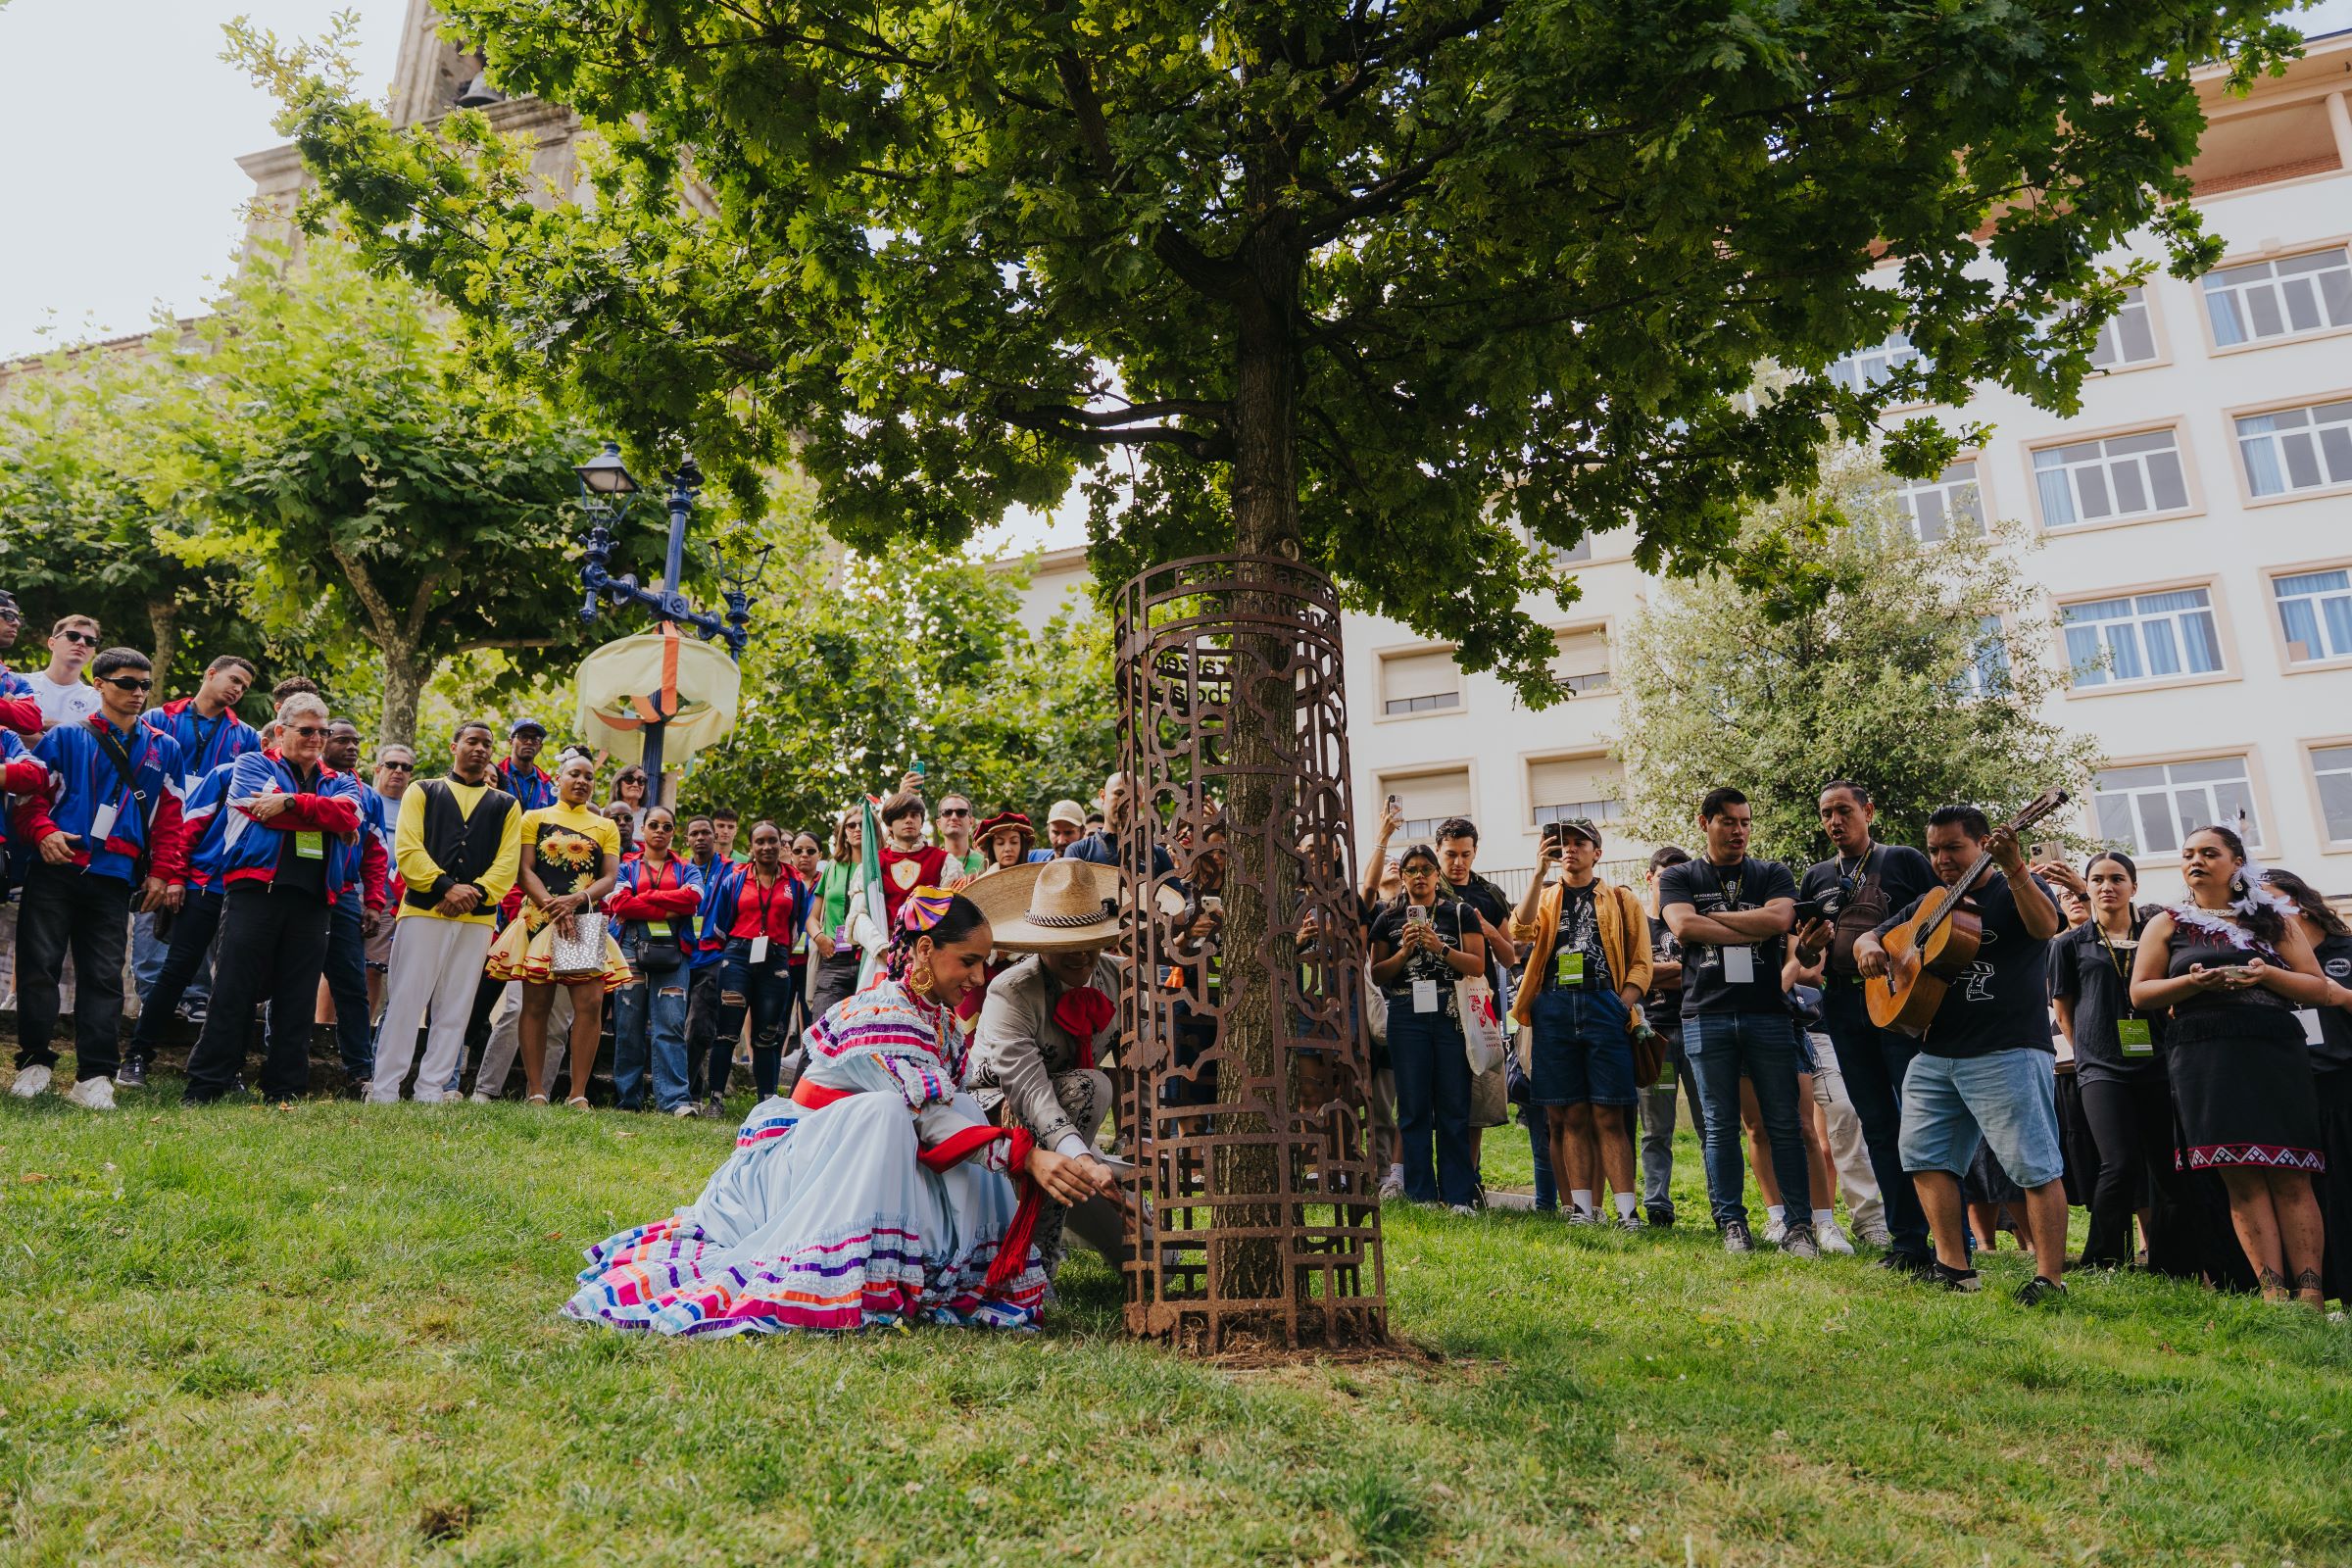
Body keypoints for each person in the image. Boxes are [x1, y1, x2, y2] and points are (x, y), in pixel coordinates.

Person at [563, 889, 1074, 1337]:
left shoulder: (937, 1021)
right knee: (886, 1113)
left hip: (864, 1160)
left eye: (985, 963)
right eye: (969, 961)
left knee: (954, 1108)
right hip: (800, 1169)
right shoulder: (883, 1013)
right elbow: (928, 1121)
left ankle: (952, 1266)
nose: (979, 977)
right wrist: (1026, 1158)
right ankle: (836, 1264)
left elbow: (947, 1108)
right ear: (924, 950)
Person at [1854, 806, 2068, 1300]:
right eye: (1934, 849)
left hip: (2008, 1049)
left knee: (2033, 1166)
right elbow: (1876, 934)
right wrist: (1868, 946)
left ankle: (2050, 1278)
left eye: (1953, 847)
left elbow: (2046, 927)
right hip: (1936, 1052)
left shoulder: (2017, 887)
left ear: (1983, 844)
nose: (1941, 859)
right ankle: (1953, 1268)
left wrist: (2017, 868)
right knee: (1923, 1156)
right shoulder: (1933, 901)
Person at [2130, 825, 2333, 1307]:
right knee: (2239, 1174)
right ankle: (2273, 1295)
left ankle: (2311, 1294)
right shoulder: (2166, 923)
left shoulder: (2273, 920)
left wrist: (2267, 974)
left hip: (2271, 1052)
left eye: (2208, 853)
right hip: (2204, 1059)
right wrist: (2193, 984)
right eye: (2188, 854)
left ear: (2237, 863)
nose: (2195, 861)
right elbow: (2140, 993)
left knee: (2291, 1172)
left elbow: (2318, 987)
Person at [8, 648, 187, 1109]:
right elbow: (29, 799)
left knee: (105, 977)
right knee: (38, 969)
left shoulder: (165, 747)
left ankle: (95, 1076)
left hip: (115, 877)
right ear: (100, 685)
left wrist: (163, 872)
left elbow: (172, 818)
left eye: (144, 685)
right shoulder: (66, 736)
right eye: (127, 683)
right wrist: (44, 833)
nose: (138, 692)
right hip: (56, 868)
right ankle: (34, 1063)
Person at [179, 694, 364, 1104]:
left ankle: (285, 1089)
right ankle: (206, 1085)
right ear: (280, 731)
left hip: (314, 899)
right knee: (233, 989)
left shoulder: (341, 779)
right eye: (307, 730)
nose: (317, 739)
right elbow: (259, 810)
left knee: (297, 998)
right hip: (253, 892)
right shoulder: (253, 764)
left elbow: (350, 815)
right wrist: (324, 818)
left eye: (323, 731)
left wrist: (291, 802)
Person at [1789, 781, 1941, 1273]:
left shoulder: (1903, 860)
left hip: (1899, 1001)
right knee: (1876, 1123)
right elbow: (1805, 959)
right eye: (1826, 813)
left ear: (1868, 811)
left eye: (1844, 810)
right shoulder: (1816, 877)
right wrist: (1810, 946)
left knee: (1919, 1119)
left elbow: (1937, 915)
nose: (1834, 821)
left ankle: (1950, 1239)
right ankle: (1908, 1242)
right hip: (1842, 1006)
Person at [1656, 786, 1815, 1256]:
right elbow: (1683, 926)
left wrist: (1716, 918)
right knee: (1720, 1125)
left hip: (1768, 1012)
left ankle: (1799, 1227)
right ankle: (1732, 1224)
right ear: (1704, 822)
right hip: (1705, 1013)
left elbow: (1781, 921)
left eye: (1745, 822)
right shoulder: (1680, 875)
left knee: (1783, 1123)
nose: (1739, 831)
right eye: (1728, 821)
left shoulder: (1772, 873)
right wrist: (1752, 924)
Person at [965, 858, 1130, 1277]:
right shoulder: (1010, 991)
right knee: (1092, 1087)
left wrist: (1137, 1150)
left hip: (1075, 1128)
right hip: (1000, 1114)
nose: (1079, 954)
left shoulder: (1124, 980)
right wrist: (1083, 1159)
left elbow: (1140, 1069)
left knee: (1147, 1253)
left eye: (1089, 941)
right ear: (1040, 943)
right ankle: (1038, 1259)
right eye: (1063, 944)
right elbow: (1030, 1091)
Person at [2045, 852, 2194, 1273]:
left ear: (2134, 886)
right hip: (2101, 1069)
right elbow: (2064, 1011)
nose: (2106, 886)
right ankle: (2103, 1260)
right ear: (2087, 887)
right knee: (2119, 1162)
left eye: (2116, 878)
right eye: (2097, 879)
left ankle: (2173, 1261)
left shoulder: (2156, 932)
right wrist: (2088, 1055)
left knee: (2166, 1164)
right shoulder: (2068, 944)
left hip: (2159, 1061)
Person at [368, 719, 523, 1103]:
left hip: (476, 918)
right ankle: (385, 1088)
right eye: (472, 741)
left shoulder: (506, 804)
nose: (480, 749)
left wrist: (476, 893)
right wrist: (445, 886)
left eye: (487, 744)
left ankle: (431, 1089)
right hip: (423, 911)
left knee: (456, 1006)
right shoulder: (423, 791)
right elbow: (408, 849)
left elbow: (508, 862)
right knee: (406, 1000)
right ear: (454, 746)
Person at [1507, 817, 1652, 1228]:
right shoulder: (1546, 897)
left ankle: (1627, 1212)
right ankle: (1582, 1210)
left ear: (1597, 853)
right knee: (1569, 1114)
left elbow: (1642, 962)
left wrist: (1621, 1004)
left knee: (1610, 1113)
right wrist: (1538, 870)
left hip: (1604, 1003)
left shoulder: (1621, 898)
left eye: (1579, 842)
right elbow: (1519, 929)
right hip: (1553, 1005)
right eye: (1563, 843)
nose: (1569, 849)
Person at [487, 754, 625, 1106]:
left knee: (590, 1003)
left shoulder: (605, 826)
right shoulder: (534, 818)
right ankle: (536, 1090)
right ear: (558, 779)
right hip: (540, 917)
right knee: (536, 1004)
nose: (581, 781)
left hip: (583, 917)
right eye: (574, 774)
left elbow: (610, 877)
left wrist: (576, 900)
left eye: (588, 777)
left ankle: (577, 1093)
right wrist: (554, 905)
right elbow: (524, 870)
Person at [133, 655, 261, 1009]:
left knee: (200, 912)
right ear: (211, 673)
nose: (238, 690)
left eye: (244, 687)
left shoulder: (246, 736)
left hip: (208, 843)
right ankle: (151, 1000)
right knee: (151, 913)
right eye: (234, 680)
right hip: (156, 832)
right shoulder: (158, 719)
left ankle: (194, 998)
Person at [1369, 844, 1488, 1212]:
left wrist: (1440, 948)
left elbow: (1478, 964)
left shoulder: (1460, 913)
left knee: (1453, 1102)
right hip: (1406, 1013)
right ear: (1403, 877)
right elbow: (1377, 973)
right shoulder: (1388, 918)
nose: (1419, 876)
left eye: (1425, 869)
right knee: (1413, 1104)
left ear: (1437, 874)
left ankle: (1458, 1195)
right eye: (1411, 870)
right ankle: (1420, 1194)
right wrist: (1403, 953)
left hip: (1450, 1010)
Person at [118, 757, 241, 1087]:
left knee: (237, 980)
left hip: (250, 893)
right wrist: (176, 877)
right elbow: (190, 825)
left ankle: (228, 1068)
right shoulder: (226, 774)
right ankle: (137, 1056)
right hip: (205, 886)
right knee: (176, 971)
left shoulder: (293, 785)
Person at [2265, 867, 2352, 1304]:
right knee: (2314, 1195)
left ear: (2298, 903)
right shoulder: (2269, 963)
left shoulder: (2345, 949)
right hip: (2295, 1088)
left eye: (2270, 900)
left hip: (2344, 1083)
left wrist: (2341, 995)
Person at [700, 820, 812, 1109]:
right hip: (737, 957)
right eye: (760, 841)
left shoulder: (794, 883)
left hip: (776, 960)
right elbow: (721, 923)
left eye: (772, 840)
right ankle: (715, 1100)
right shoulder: (735, 879)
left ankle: (766, 1103)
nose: (766, 847)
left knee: (768, 1035)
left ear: (781, 844)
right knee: (727, 1032)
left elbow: (798, 924)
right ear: (751, 846)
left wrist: (779, 946)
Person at [608, 806, 702, 1116]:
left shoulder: (687, 868)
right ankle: (628, 1100)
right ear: (643, 829)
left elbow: (693, 900)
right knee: (627, 1024)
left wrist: (646, 898)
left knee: (670, 1024)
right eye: (654, 825)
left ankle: (675, 1101)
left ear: (674, 832)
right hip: (630, 947)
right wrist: (669, 907)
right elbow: (619, 903)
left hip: (674, 950)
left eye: (666, 826)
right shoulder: (626, 867)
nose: (660, 831)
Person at [311, 718, 388, 1093]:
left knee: (353, 983)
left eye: (356, 741)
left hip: (343, 895)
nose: (352, 747)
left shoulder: (369, 796)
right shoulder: (306, 781)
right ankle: (282, 1059)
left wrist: (373, 902)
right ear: (323, 741)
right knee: (290, 978)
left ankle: (360, 1072)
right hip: (301, 892)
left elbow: (375, 853)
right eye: (343, 740)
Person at [1636, 846, 1697, 1228]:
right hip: (1654, 1037)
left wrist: (1655, 971)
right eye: (1666, 877)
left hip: (1696, 1030)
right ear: (1650, 877)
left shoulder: (1692, 920)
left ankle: (1722, 1207)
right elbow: (1633, 973)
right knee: (1656, 1128)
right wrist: (1681, 968)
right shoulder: (1638, 925)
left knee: (1711, 1126)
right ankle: (1657, 1204)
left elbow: (1703, 971)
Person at [676, 813, 733, 1102]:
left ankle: (686, 1093)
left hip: (713, 957)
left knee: (699, 1024)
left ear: (715, 836)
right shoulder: (681, 871)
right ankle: (690, 1090)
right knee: (679, 1025)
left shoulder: (731, 870)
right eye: (694, 833)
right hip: (681, 955)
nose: (700, 838)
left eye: (705, 833)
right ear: (687, 839)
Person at [365, 745, 416, 1017]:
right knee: (337, 964)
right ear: (378, 769)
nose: (398, 771)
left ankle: (362, 1029)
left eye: (405, 767)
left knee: (373, 967)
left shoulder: (415, 806)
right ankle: (324, 1028)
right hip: (353, 891)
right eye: (392, 765)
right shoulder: (364, 797)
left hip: (389, 899)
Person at [803, 811, 865, 1026]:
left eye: (862, 824)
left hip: (868, 958)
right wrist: (819, 937)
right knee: (821, 1029)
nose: (857, 829)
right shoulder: (832, 867)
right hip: (834, 958)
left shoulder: (881, 865)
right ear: (844, 833)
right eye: (851, 825)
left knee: (863, 1031)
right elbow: (812, 918)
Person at [1062, 772, 1176, 880]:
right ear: (1102, 796)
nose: (1127, 802)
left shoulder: (1158, 854)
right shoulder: (1079, 851)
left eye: (1135, 798)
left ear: (1141, 805)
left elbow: (1174, 893)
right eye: (1120, 793)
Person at [876, 789, 952, 929]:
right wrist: (880, 942)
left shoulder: (944, 860)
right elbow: (862, 913)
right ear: (889, 825)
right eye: (902, 816)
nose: (909, 820)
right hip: (886, 940)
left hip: (930, 939)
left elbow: (950, 909)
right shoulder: (876, 862)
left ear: (921, 822)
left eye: (914, 815)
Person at [27, 614, 103, 731]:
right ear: (52, 643)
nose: (81, 642)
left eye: (90, 641)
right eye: (73, 636)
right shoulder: (19, 684)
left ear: (93, 652)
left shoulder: (98, 701)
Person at [493, 718, 555, 813]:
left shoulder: (547, 787)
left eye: (535, 739)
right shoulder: (495, 776)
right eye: (523, 736)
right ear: (510, 741)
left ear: (540, 747)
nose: (529, 742)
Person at [937, 792, 985, 878]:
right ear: (939, 823)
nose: (954, 817)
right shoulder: (929, 862)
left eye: (961, 812)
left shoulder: (985, 862)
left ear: (971, 822)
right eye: (947, 812)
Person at [973, 810, 1036, 876]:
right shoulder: (978, 879)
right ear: (992, 847)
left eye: (1014, 842)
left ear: (1022, 845)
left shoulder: (1037, 877)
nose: (1007, 849)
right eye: (1000, 843)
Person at [611, 763, 650, 833]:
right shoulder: (601, 814)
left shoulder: (651, 818)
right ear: (618, 783)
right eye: (629, 779)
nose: (635, 784)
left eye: (641, 780)